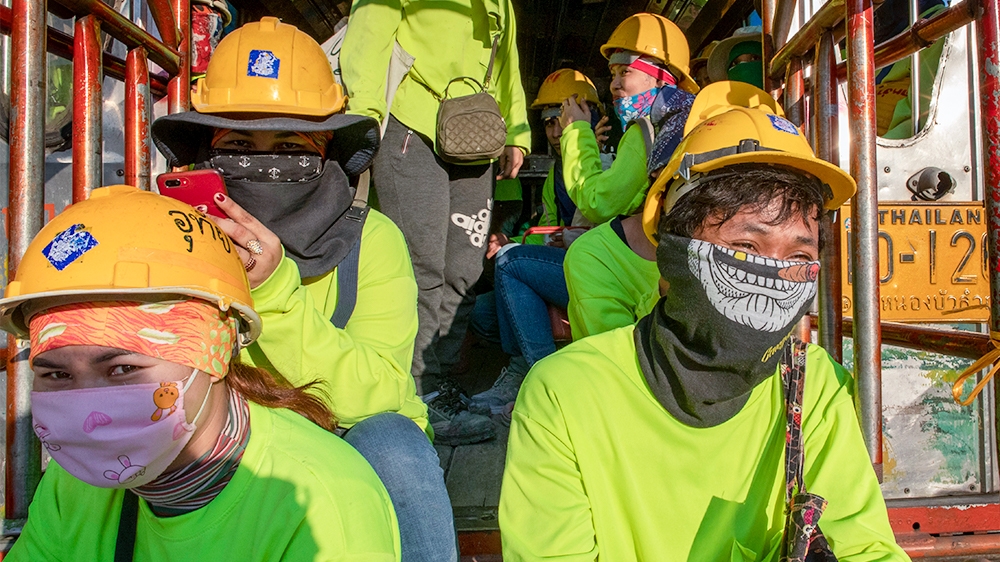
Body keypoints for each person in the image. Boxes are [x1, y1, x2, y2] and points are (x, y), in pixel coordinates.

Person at [500, 83, 910, 559]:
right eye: (745, 248)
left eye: (799, 253)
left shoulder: (813, 382)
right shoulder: (565, 394)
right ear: (672, 252)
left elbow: (866, 547)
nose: (774, 274)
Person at [150, 19, 454, 562]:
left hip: (340, 431)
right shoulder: (173, 237)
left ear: (326, 150)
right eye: (239, 146)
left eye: (288, 146)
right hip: (220, 444)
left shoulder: (373, 240)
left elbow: (382, 394)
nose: (262, 162)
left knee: (395, 443)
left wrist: (271, 292)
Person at [1, 186, 400, 561]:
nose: (88, 414)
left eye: (123, 368)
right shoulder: (76, 483)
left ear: (216, 353)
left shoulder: (322, 499)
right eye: (56, 376)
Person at [339, 0, 532, 410]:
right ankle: (413, 387)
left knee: (465, 267)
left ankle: (437, 383)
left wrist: (516, 130)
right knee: (421, 264)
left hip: (474, 136)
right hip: (413, 126)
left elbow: (507, 59)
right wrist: (365, 117)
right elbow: (369, 35)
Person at [467, 69, 606, 416]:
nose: (557, 131)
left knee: (511, 265)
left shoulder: (609, 161)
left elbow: (604, 209)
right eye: (549, 123)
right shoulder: (555, 174)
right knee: (481, 313)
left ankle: (538, 378)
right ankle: (535, 365)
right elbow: (547, 228)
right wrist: (510, 239)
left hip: (603, 271)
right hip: (569, 264)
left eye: (565, 119)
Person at [559, 12, 699, 226]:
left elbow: (599, 203)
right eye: (612, 74)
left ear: (662, 78)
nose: (614, 85)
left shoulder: (647, 130)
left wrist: (576, 130)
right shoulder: (686, 120)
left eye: (625, 72)